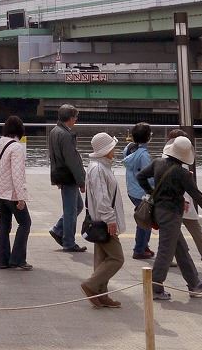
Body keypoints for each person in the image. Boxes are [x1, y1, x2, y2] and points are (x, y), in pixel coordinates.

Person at [138, 136, 202, 301]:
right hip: (171, 214)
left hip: (159, 211)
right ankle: (155, 287)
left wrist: (151, 192)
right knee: (165, 251)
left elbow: (140, 176)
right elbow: (197, 195)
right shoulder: (183, 174)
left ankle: (194, 283)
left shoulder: (157, 163)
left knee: (181, 248)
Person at [164, 128, 202, 269]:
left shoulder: (165, 160)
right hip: (180, 205)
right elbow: (196, 194)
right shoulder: (175, 164)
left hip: (173, 205)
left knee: (176, 233)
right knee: (185, 233)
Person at [81, 132, 124, 308]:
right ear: (106, 150)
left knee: (102, 257)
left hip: (100, 219)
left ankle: (102, 294)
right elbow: (102, 197)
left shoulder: (99, 166)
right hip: (104, 220)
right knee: (117, 258)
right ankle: (91, 285)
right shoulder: (99, 169)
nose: (115, 150)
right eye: (112, 147)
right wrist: (110, 219)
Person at [0, 116, 31, 270]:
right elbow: (17, 174)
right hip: (11, 194)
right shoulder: (17, 148)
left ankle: (2, 260)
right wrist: (21, 197)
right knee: (25, 223)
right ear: (20, 130)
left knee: (4, 225)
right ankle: (18, 259)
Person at [47, 104, 86, 253]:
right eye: (75, 117)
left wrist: (56, 178)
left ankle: (58, 229)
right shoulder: (66, 135)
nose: (76, 120)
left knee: (77, 206)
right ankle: (69, 242)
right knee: (71, 210)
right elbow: (73, 161)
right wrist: (81, 181)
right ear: (70, 118)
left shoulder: (54, 132)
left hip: (61, 174)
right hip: (69, 177)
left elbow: (53, 157)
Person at [123, 123, 154, 260]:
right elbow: (149, 176)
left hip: (132, 189)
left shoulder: (129, 149)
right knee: (145, 220)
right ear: (147, 137)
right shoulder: (144, 155)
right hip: (142, 192)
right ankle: (139, 248)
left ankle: (143, 245)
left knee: (143, 218)